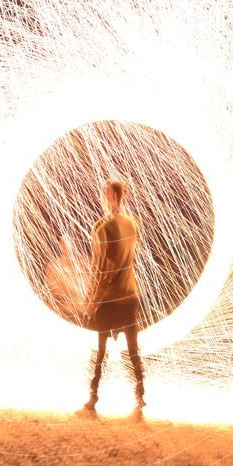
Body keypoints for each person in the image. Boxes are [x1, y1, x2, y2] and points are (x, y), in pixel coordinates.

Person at [77, 179, 146, 420]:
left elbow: (101, 267)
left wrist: (92, 297)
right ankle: (141, 397)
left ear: (113, 197)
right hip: (130, 294)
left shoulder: (102, 227)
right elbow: (126, 259)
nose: (104, 197)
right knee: (134, 349)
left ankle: (92, 399)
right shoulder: (132, 224)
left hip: (110, 297)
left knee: (101, 349)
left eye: (106, 194)